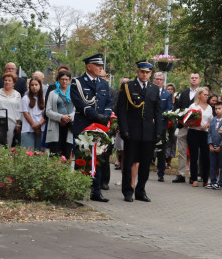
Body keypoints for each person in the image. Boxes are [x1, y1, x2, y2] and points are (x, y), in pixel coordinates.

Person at [115, 60, 162, 202]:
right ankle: (128, 191)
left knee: (145, 164)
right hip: (132, 131)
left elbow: (158, 112)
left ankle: (141, 190)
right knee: (129, 162)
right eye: (142, 71)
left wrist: (158, 131)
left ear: (151, 73)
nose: (145, 74)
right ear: (137, 72)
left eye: (147, 72)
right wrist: (124, 129)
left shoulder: (154, 88)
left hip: (148, 132)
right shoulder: (128, 86)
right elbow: (121, 110)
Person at [71, 54, 112, 202]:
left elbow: (108, 101)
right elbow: (79, 103)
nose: (101, 67)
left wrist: (106, 115)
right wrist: (96, 115)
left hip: (99, 127)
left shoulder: (103, 83)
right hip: (84, 125)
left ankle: (96, 191)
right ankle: (78, 190)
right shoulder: (77, 83)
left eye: (101, 65)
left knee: (98, 159)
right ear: (89, 66)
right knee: (82, 159)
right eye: (97, 65)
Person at [172, 72, 201, 183]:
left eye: (196, 78)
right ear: (189, 80)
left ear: (199, 80)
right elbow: (179, 109)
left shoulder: (201, 93)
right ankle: (181, 174)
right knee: (182, 151)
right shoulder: (184, 93)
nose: (193, 79)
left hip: (195, 127)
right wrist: (181, 120)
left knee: (194, 152)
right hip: (183, 126)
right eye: (192, 78)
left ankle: (193, 176)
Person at [184, 86, 212, 187]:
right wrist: (191, 122)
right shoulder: (193, 106)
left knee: (206, 156)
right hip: (193, 132)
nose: (206, 96)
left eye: (207, 95)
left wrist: (207, 125)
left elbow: (211, 121)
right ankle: (194, 179)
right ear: (199, 95)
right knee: (194, 156)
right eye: (205, 94)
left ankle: (205, 179)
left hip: (204, 133)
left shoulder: (209, 107)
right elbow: (186, 120)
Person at [45, 70, 75, 161]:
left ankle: (65, 174)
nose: (64, 81)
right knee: (54, 154)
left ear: (70, 80)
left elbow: (77, 109)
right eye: (62, 79)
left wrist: (69, 117)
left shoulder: (74, 92)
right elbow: (48, 111)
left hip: (69, 125)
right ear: (58, 80)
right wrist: (61, 117)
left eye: (66, 79)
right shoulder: (52, 93)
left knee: (66, 154)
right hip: (55, 126)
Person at [0, 73, 22, 146]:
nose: (7, 82)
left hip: (11, 121)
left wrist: (18, 124)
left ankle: (6, 157)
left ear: (14, 83)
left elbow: (19, 110)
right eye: (5, 80)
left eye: (9, 80)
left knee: (7, 143)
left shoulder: (17, 94)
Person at [152, 71, 174, 181]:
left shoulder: (167, 94)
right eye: (157, 79)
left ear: (163, 81)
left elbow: (169, 109)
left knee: (161, 150)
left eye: (160, 79)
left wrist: (158, 117)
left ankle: (161, 173)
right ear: (153, 80)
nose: (158, 81)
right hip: (149, 124)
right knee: (148, 149)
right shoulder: (149, 91)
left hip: (162, 125)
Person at [20, 76, 46, 150]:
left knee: (39, 153)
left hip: (41, 128)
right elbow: (25, 113)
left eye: (36, 85)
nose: (34, 87)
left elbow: (45, 115)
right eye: (32, 85)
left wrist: (39, 125)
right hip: (28, 129)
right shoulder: (25, 98)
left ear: (40, 86)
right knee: (28, 152)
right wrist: (34, 127)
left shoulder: (44, 99)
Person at [207, 102, 222, 189]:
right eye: (216, 109)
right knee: (212, 165)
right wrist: (210, 144)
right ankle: (213, 182)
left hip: (221, 147)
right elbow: (209, 133)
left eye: (219, 108)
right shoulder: (213, 120)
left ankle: (220, 182)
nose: (217, 110)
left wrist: (221, 146)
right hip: (212, 146)